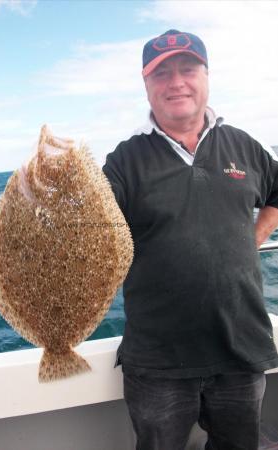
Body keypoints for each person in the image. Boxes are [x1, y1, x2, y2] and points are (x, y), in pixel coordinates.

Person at [102, 29, 278, 450]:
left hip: (240, 347)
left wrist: (252, 240)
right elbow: (87, 230)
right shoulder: (124, 160)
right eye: (161, 74)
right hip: (157, 360)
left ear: (206, 76)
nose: (176, 82)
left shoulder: (243, 145)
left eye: (187, 69)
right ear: (146, 86)